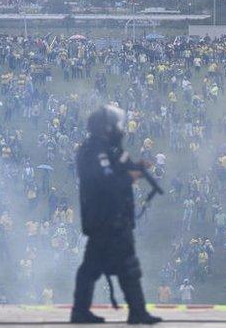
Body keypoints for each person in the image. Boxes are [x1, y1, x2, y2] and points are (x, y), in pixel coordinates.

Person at [70, 105, 161, 325]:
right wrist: (130, 176)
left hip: (111, 219)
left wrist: (134, 167)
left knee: (97, 267)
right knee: (125, 266)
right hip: (107, 220)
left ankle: (83, 312)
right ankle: (136, 312)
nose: (120, 129)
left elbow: (117, 167)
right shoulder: (95, 152)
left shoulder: (105, 149)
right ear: (106, 128)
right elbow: (106, 183)